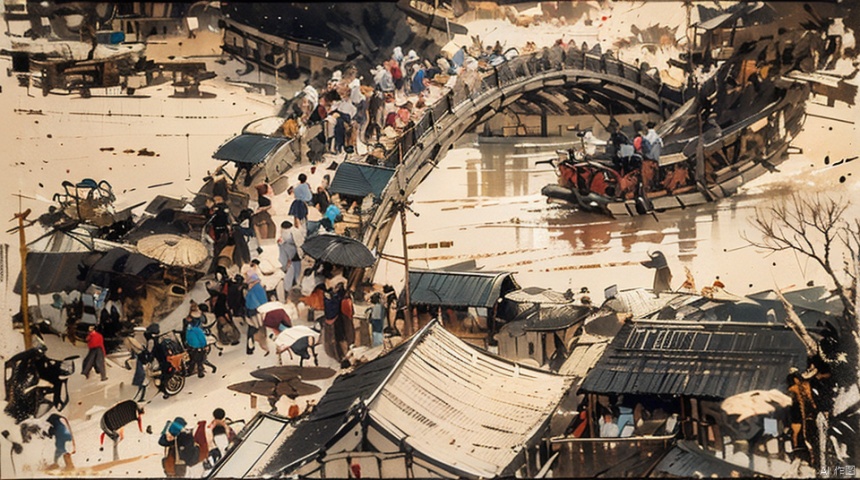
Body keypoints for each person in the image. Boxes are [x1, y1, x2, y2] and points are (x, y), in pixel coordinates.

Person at [244, 261, 269, 355]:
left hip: (252, 311)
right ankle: (260, 346)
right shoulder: (258, 288)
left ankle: (251, 348)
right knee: (258, 328)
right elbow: (263, 301)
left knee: (252, 329)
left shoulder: (253, 289)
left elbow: (250, 301)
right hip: (257, 311)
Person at [278, 221, 303, 292]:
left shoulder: (283, 237)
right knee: (298, 278)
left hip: (290, 260)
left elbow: (282, 256)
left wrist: (283, 266)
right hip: (299, 258)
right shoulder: (297, 232)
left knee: (289, 280)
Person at [185, 313, 209, 378]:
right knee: (197, 360)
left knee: (196, 360)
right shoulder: (193, 328)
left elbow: (201, 338)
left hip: (196, 346)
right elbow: (201, 338)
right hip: (195, 346)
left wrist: (204, 345)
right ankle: (195, 371)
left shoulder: (192, 329)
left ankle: (191, 371)